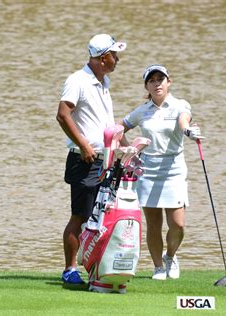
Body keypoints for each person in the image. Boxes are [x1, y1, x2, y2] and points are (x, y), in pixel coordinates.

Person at [120, 64, 203, 280]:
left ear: (169, 82)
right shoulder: (142, 111)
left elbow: (184, 120)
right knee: (153, 224)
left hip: (173, 169)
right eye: (152, 80)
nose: (157, 83)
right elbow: (119, 129)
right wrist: (130, 151)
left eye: (161, 79)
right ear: (147, 86)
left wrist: (188, 131)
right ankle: (158, 267)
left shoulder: (179, 105)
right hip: (147, 170)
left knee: (178, 224)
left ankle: (171, 256)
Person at [56, 34, 127, 284]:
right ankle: (70, 270)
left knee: (103, 216)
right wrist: (84, 144)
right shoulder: (78, 80)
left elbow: (107, 124)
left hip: (104, 158)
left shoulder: (104, 81)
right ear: (101, 57)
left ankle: (97, 267)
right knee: (81, 216)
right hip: (84, 159)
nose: (117, 59)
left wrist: (125, 148)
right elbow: (63, 115)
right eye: (114, 55)